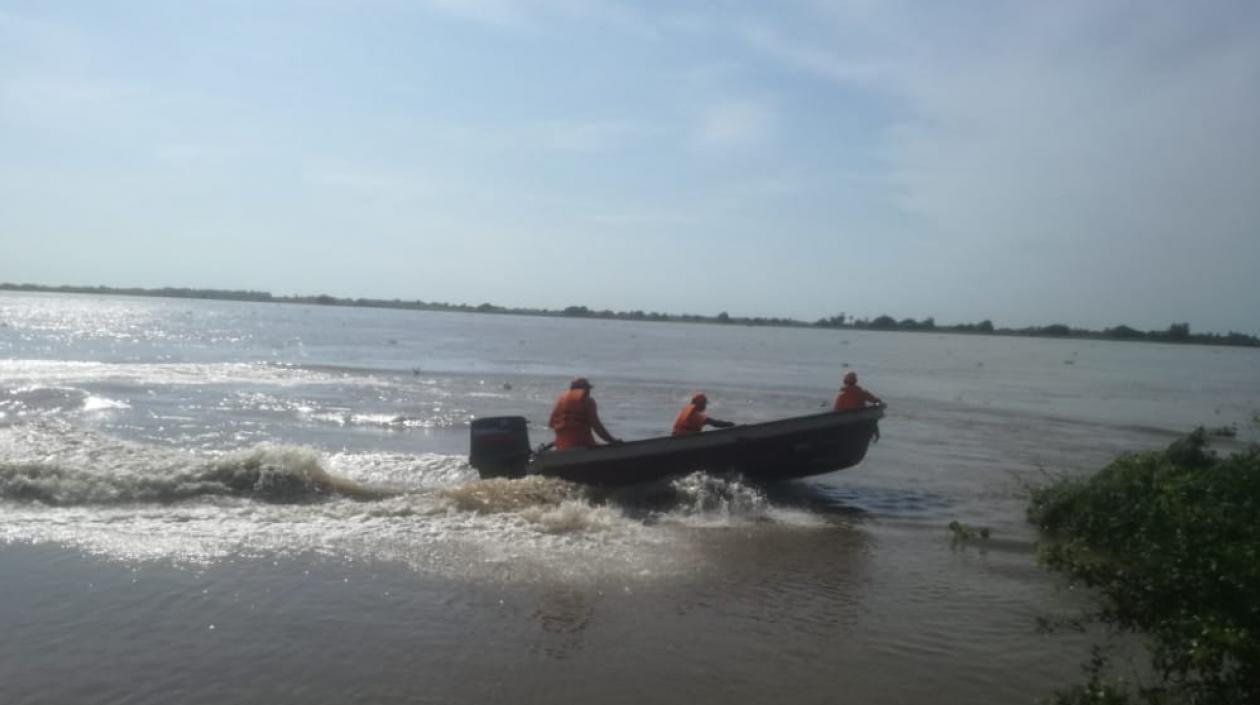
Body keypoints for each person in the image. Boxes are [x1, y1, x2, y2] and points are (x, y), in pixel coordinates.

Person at [549, 377, 621, 449]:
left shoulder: (560, 401)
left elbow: (551, 424)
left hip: (562, 446)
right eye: (587, 388)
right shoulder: (588, 401)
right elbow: (597, 426)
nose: (589, 391)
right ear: (583, 389)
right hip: (581, 444)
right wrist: (612, 441)